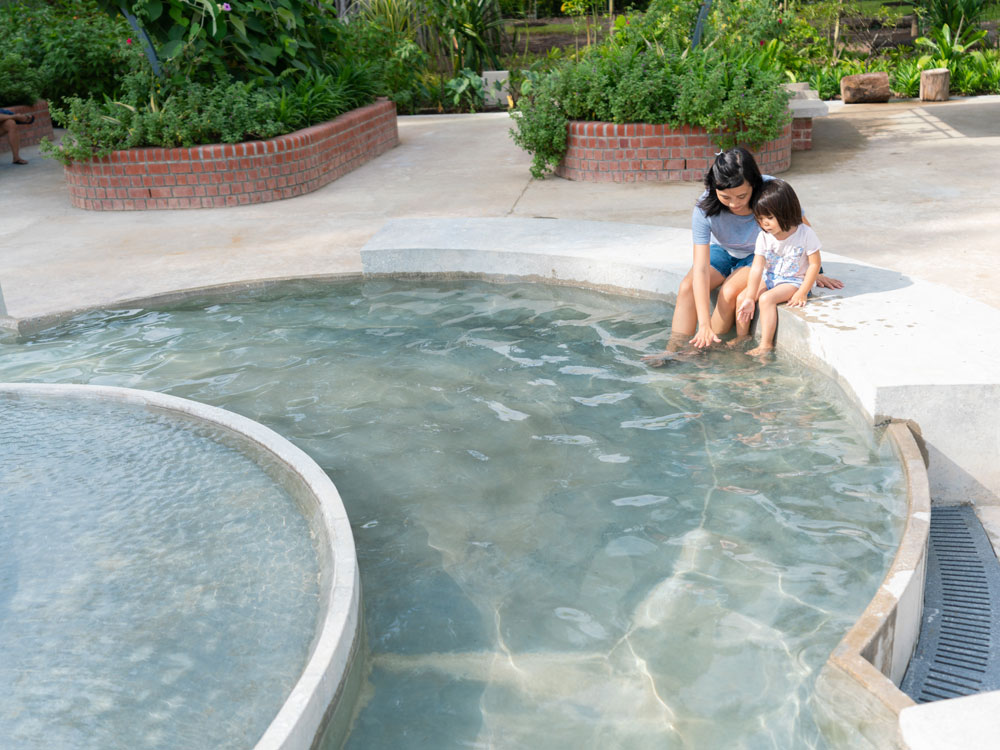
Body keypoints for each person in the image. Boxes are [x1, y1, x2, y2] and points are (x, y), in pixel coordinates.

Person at [643, 147, 841, 363]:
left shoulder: (771, 191)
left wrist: (814, 271)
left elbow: (799, 227)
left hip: (760, 256)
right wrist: (704, 322)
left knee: (728, 292)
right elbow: (700, 268)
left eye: (741, 196)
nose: (734, 203)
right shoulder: (704, 207)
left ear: (754, 184)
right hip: (724, 250)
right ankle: (673, 350)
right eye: (725, 197)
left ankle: (706, 349)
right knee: (687, 286)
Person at [735, 178, 822, 356]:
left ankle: (766, 345)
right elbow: (757, 268)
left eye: (769, 217)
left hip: (794, 281)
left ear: (785, 212)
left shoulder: (805, 233)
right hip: (771, 277)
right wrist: (750, 298)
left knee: (767, 299)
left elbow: (814, 264)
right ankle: (742, 338)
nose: (764, 223)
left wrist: (802, 292)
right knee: (742, 297)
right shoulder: (764, 236)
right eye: (759, 219)